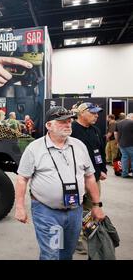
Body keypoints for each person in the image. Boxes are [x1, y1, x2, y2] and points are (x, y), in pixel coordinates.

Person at [15, 106, 105, 260]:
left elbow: (90, 177)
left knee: (66, 253)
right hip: (46, 211)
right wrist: (19, 207)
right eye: (62, 121)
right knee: (51, 254)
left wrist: (96, 206)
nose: (68, 124)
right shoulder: (34, 148)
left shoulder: (79, 146)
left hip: (75, 210)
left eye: (69, 121)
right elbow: (22, 178)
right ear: (49, 125)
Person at [71, 103, 107, 211]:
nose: (96, 115)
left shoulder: (95, 130)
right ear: (81, 113)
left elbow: (100, 151)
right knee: (73, 208)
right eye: (93, 113)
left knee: (93, 208)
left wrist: (102, 169)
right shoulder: (71, 129)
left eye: (97, 113)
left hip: (94, 176)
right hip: (75, 177)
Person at [114, 113, 133, 178]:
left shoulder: (119, 123)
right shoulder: (131, 122)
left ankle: (124, 174)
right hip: (130, 144)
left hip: (121, 144)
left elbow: (115, 133)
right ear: (131, 117)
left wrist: (117, 142)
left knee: (124, 158)